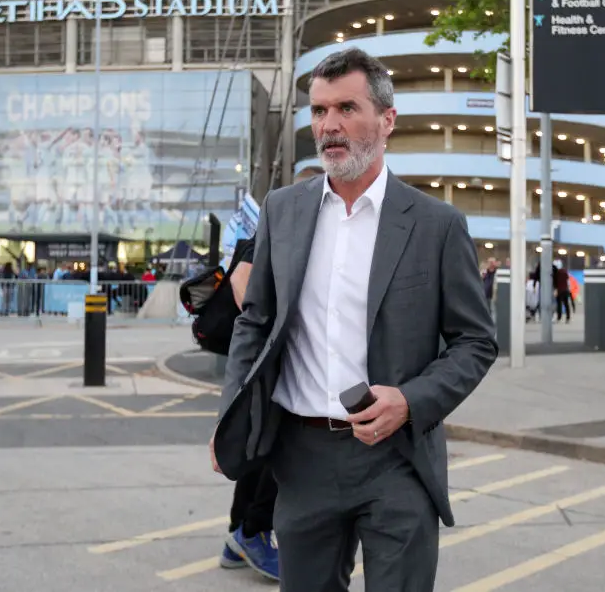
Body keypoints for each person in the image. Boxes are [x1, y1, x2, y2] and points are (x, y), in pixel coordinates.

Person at [209, 47, 498, 592]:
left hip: (398, 461)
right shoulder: (283, 210)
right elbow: (256, 321)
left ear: (387, 120)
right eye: (319, 111)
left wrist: (411, 401)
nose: (329, 126)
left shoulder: (436, 225)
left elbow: (475, 342)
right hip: (301, 459)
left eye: (346, 108)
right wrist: (232, 415)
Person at [221, 165, 324, 581]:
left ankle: (236, 537)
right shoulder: (270, 233)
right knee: (271, 452)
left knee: (260, 449)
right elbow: (244, 288)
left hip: (273, 364)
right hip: (269, 366)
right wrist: (276, 323)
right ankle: (252, 530)